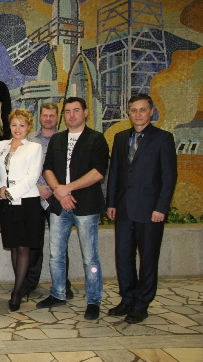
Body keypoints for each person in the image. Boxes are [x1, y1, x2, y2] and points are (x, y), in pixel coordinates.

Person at [106, 94, 178, 324]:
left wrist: (161, 207)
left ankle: (141, 304)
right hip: (124, 209)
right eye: (134, 110)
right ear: (129, 113)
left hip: (150, 212)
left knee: (148, 259)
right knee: (123, 256)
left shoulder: (163, 138)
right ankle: (127, 298)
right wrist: (111, 203)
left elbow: (169, 177)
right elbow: (114, 173)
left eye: (142, 110)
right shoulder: (120, 138)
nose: (138, 114)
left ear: (151, 112)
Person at [36, 97, 109, 321]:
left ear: (85, 113)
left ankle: (93, 300)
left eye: (76, 110)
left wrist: (67, 189)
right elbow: (47, 168)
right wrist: (59, 191)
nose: (72, 115)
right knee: (56, 254)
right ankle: (58, 293)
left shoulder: (96, 139)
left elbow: (98, 172)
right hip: (59, 205)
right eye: (67, 111)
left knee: (90, 257)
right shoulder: (58, 139)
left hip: (86, 205)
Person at [25, 104, 74, 299]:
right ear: (40, 117)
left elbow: (68, 168)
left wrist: (55, 189)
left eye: (52, 116)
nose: (48, 119)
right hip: (33, 195)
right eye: (45, 115)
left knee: (59, 243)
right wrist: (38, 187)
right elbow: (23, 167)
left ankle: (63, 283)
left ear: (57, 117)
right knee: (33, 243)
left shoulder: (65, 139)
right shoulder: (29, 139)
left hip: (58, 196)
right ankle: (30, 282)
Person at [0, 109, 43, 311]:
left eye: (22, 125)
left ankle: (17, 292)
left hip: (26, 201)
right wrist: (0, 189)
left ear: (29, 127)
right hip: (6, 202)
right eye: (14, 124)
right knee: (13, 246)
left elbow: (32, 177)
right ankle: (20, 285)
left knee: (23, 247)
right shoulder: (0, 145)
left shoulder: (34, 147)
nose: (17, 129)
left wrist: (11, 192)